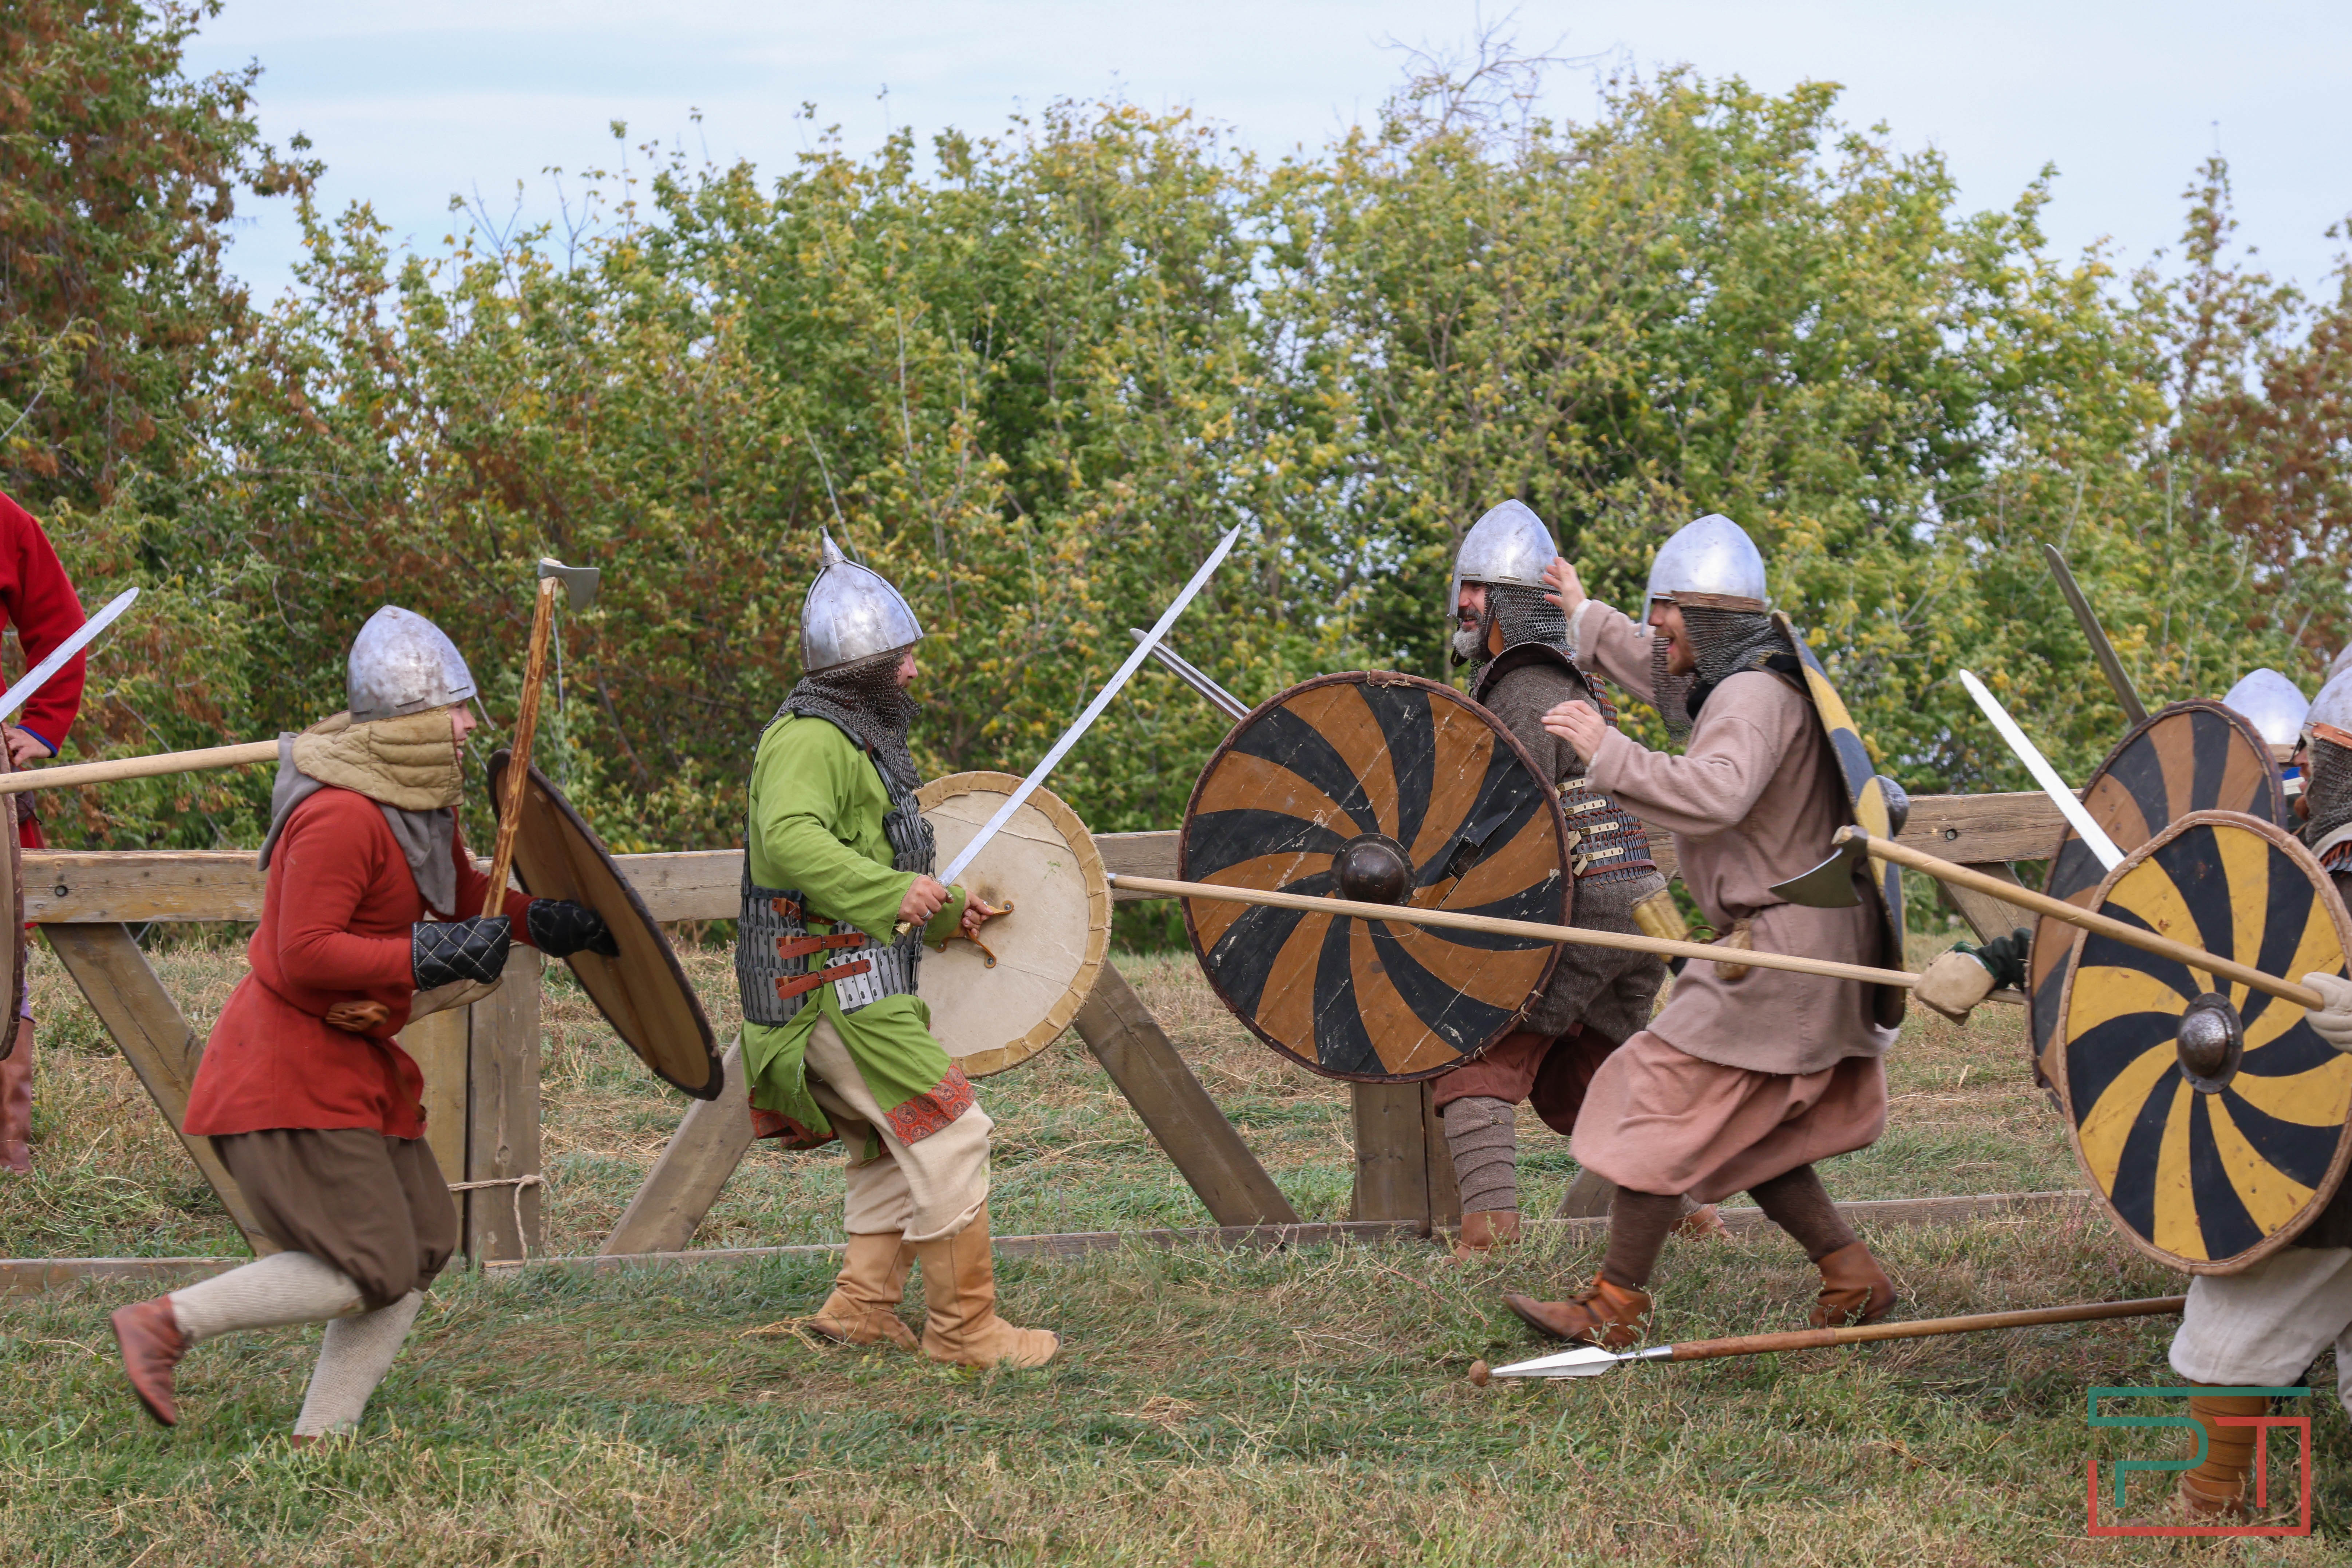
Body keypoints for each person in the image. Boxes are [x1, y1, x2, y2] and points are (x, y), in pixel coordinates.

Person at [107, 606, 617, 1438]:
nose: (468, 726)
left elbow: (459, 894)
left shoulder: (416, 802)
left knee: (421, 1245)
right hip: (288, 1071)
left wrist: (537, 921)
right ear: (409, 716)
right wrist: (427, 955)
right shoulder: (339, 815)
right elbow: (303, 952)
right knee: (373, 1263)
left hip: (353, 1064)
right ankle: (165, 1323)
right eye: (455, 709)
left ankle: (321, 1439)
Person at [1501, 513, 1900, 1346]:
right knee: (1749, 1125)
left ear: (1711, 617)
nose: (1653, 628)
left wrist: (1606, 751)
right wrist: (1583, 614)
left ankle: (1612, 1307)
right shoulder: (1747, 675)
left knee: (1657, 1095)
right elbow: (1662, 674)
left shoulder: (1749, 698)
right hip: (1801, 941)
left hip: (1781, 950)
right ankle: (1850, 1274)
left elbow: (1716, 791)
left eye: (1666, 610)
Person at [737, 532, 1051, 1368]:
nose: (914, 671)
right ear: (864, 669)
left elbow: (871, 859)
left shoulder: (854, 741)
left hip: (854, 979)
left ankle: (862, 1308)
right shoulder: (809, 740)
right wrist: (887, 897)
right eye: (902, 658)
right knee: (951, 1131)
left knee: (885, 1142)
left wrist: (944, 915)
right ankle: (965, 1333)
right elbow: (791, 841)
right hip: (831, 990)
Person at [1435, 500, 1715, 1259]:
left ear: (1515, 604)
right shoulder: (1575, 679)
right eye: (1465, 586)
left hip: (1583, 904)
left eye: (1480, 589)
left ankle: (1488, 1236)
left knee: (1480, 1052)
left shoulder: (1524, 683)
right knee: (1604, 1072)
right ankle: (1694, 1218)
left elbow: (1503, 815)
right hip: (1640, 902)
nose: (1466, 603)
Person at [2149, 667, 2352, 1519]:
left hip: (2323, 1158)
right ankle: (2214, 1495)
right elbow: (2165, 934)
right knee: (2248, 1316)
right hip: (2308, 1130)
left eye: (2322, 756)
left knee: (2244, 1315)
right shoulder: (2301, 854)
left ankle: (2208, 1499)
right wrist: (1996, 958)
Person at [0, 489, 92, 1174]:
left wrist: (41, 725)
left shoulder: (4, 522)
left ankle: (6, 1146)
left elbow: (60, 626)